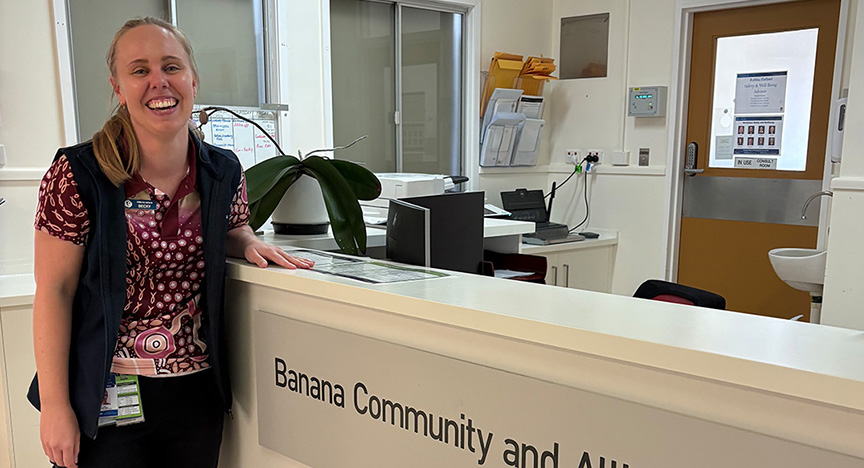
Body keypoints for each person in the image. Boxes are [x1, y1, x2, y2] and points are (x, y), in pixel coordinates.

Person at [29, 17, 313, 468]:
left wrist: (247, 242)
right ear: (118, 88)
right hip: (107, 395)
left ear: (193, 80)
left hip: (195, 394)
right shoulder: (78, 174)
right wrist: (56, 407)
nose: (158, 82)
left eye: (171, 66)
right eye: (139, 70)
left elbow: (232, 227)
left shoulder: (222, 169)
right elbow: (55, 291)